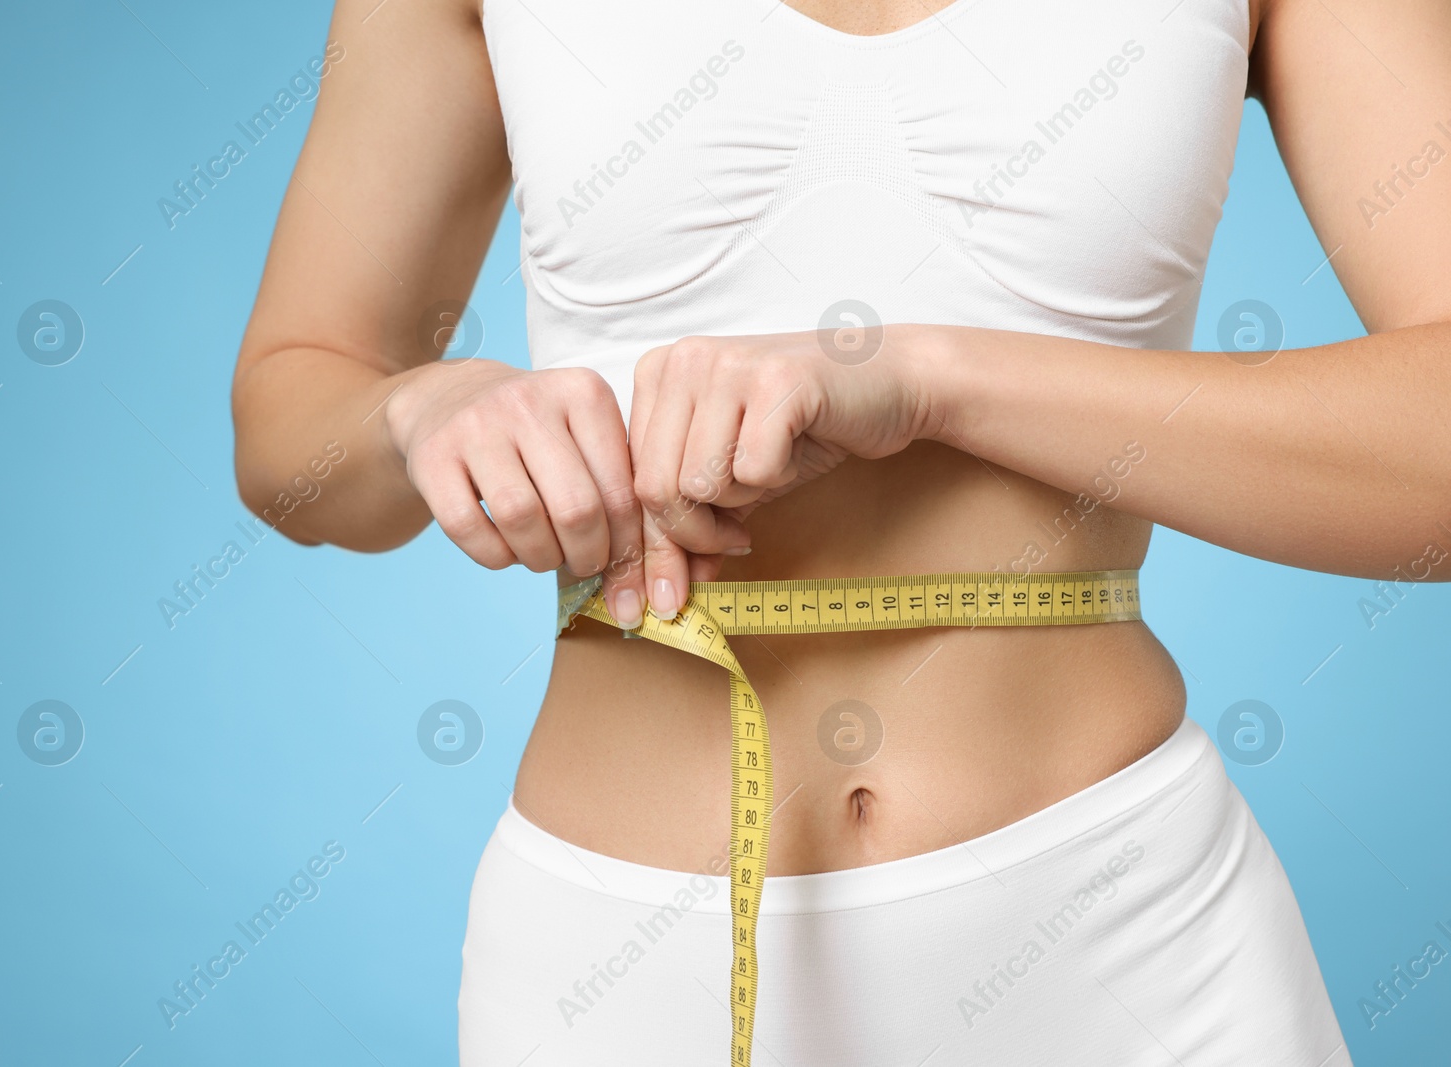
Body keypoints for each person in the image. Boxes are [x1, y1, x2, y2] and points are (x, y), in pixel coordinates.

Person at [231, 0, 1450, 1061]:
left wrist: (928, 376)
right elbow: (290, 434)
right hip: (622, 958)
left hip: (1132, 928)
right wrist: (416, 408)